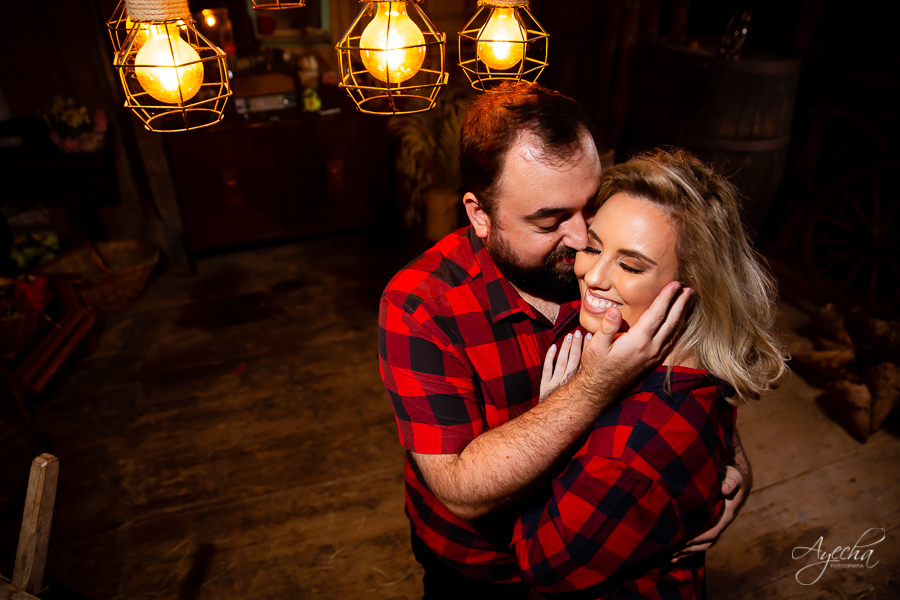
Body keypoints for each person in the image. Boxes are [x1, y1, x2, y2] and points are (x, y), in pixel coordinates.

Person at [378, 82, 749, 599]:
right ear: (480, 215)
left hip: (604, 555)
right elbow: (458, 489)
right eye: (549, 220)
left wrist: (727, 466)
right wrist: (593, 387)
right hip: (479, 568)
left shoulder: (609, 263)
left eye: (589, 206)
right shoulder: (420, 305)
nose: (580, 241)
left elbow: (696, 361)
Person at [513, 149, 788, 598]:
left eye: (631, 265)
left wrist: (555, 420)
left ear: (694, 284)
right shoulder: (682, 356)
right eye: (594, 247)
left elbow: (539, 564)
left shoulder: (632, 451)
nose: (593, 275)